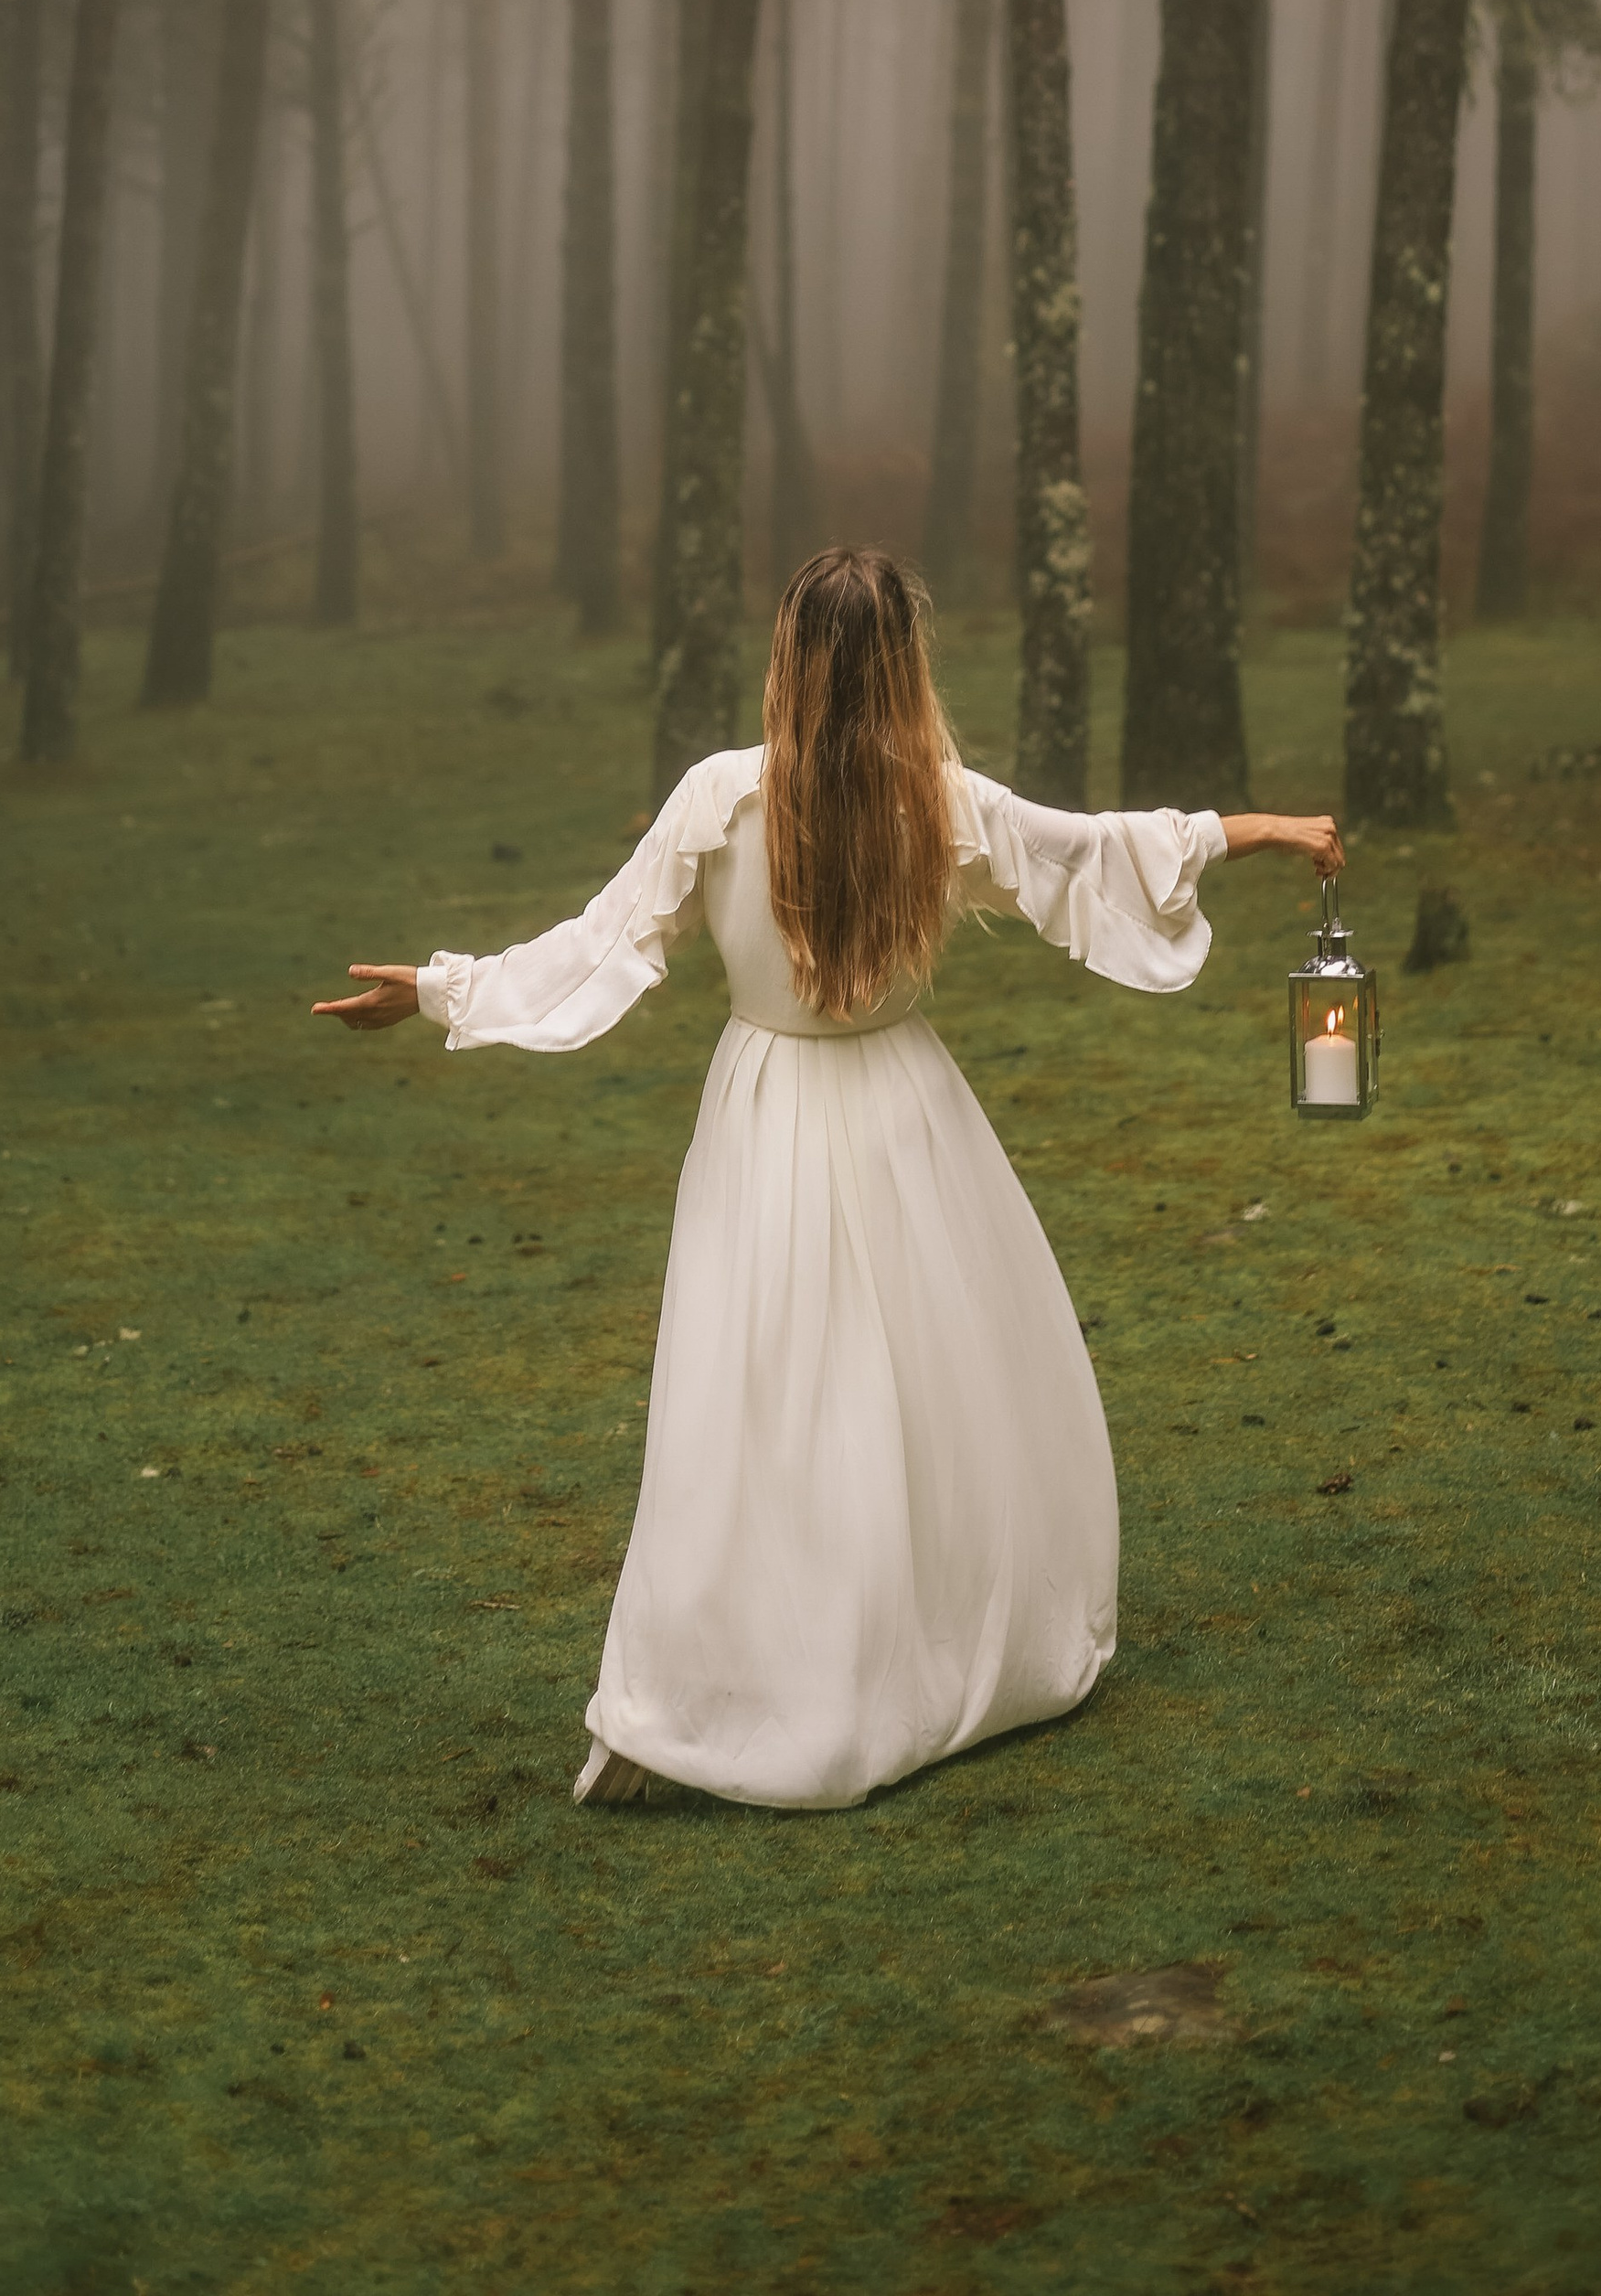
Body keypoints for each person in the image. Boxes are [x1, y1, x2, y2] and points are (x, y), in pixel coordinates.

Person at [314, 546, 1342, 1814]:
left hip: (772, 1113)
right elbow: (1105, 853)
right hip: (905, 1109)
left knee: (762, 1398)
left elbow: (599, 948)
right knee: (920, 1389)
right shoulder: (936, 798)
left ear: (790, 660)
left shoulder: (725, 796)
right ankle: (870, 1655)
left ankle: (752, 1681)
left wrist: (437, 992)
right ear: (905, 663)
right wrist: (1274, 830)